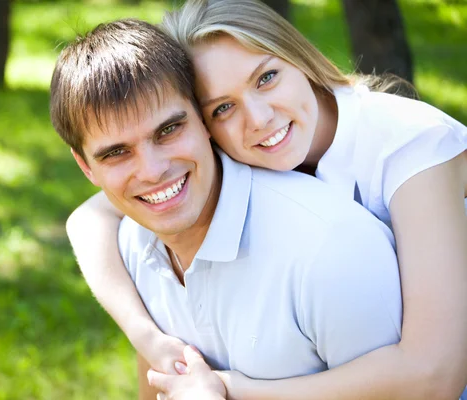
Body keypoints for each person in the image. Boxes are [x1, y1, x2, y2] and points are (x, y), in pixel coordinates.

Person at [65, 0, 467, 399]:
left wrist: (231, 389)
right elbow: (89, 219)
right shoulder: (216, 157)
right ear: (203, 124)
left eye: (266, 78)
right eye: (223, 107)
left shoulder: (408, 146)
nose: (258, 118)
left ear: (299, 58)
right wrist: (148, 338)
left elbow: (435, 374)